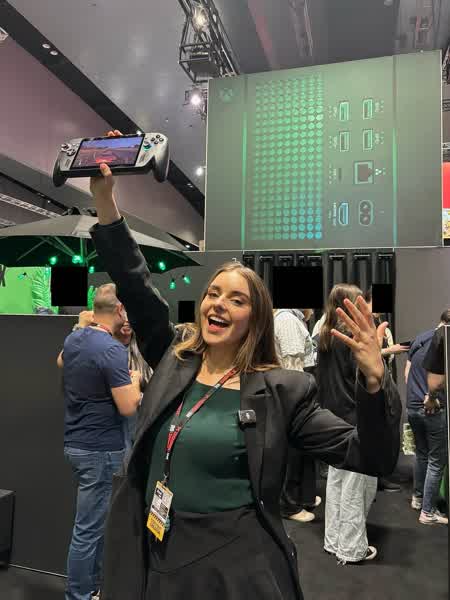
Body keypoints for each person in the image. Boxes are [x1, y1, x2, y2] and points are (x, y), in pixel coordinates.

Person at [89, 133, 401, 600]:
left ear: (254, 319)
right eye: (213, 294)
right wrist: (105, 202)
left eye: (236, 300)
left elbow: (370, 457)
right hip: (156, 551)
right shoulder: (175, 358)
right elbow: (135, 284)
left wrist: (376, 383)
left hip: (233, 569)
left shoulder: (283, 391)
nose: (218, 304)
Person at [58, 283, 142, 600]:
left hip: (77, 443)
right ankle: (79, 595)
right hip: (100, 449)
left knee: (92, 527)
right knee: (89, 530)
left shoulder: (75, 338)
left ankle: (90, 588)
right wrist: (134, 382)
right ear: (120, 310)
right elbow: (128, 406)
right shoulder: (112, 350)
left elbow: (61, 361)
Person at [317, 284, 384, 564]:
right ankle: (351, 548)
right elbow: (366, 380)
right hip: (355, 418)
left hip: (331, 417)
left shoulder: (325, 334)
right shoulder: (353, 338)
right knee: (356, 484)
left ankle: (334, 541)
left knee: (336, 481)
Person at [274, 308, 321, 523]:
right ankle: (289, 505)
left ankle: (303, 497)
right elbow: (292, 367)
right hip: (292, 396)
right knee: (292, 451)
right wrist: (298, 399)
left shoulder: (292, 319)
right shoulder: (287, 320)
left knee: (301, 448)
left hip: (293, 393)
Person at [405, 310, 450, 525]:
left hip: (412, 406)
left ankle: (418, 499)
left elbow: (407, 372)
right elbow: (437, 381)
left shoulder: (421, 338)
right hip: (431, 408)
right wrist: (431, 397)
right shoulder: (444, 341)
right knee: (436, 460)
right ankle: (428, 512)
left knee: (422, 453)